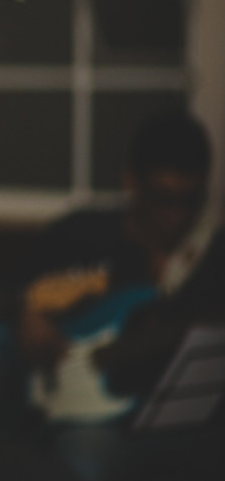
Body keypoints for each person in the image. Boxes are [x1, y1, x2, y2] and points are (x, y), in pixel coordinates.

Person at [15, 109, 225, 481]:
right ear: (132, 181)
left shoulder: (213, 257)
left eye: (190, 201)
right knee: (92, 461)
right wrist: (28, 316)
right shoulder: (81, 234)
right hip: (86, 419)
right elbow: (16, 291)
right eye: (163, 198)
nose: (176, 216)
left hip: (185, 427)